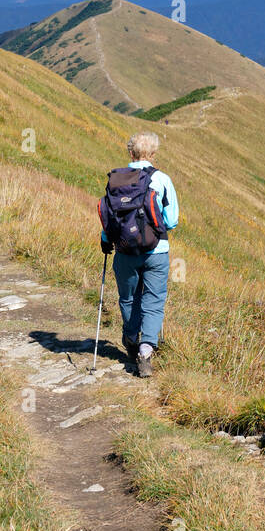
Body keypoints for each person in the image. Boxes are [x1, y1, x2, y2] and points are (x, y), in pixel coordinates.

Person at [100, 132, 179, 377]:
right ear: (153, 154)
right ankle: (146, 351)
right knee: (153, 300)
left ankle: (132, 339)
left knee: (128, 297)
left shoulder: (116, 179)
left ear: (130, 153)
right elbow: (172, 220)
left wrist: (105, 241)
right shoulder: (162, 179)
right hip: (156, 251)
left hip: (123, 250)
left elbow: (110, 216)